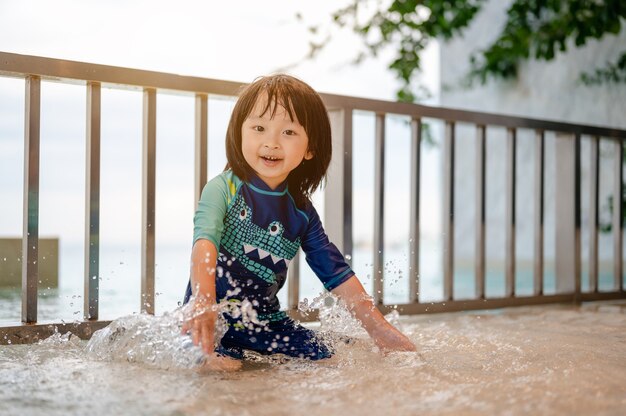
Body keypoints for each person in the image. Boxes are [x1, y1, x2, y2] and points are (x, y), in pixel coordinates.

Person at [181, 74, 415, 370]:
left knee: (332, 359)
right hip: (212, 320)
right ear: (239, 133)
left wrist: (379, 329)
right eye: (259, 128)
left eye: (288, 132)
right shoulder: (223, 189)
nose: (271, 142)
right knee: (222, 366)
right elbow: (205, 243)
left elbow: (335, 271)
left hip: (264, 324)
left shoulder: (301, 211)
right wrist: (203, 302)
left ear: (309, 149)